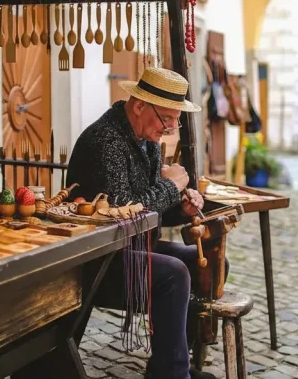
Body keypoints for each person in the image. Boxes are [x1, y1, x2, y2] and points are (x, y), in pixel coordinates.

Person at [65, 67, 221, 379]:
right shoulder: (104, 140)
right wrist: (171, 186)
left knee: (210, 263)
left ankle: (172, 361)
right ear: (139, 106)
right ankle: (172, 374)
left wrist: (184, 208)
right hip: (100, 263)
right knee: (174, 274)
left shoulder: (144, 138)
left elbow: (153, 211)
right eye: (167, 118)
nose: (172, 127)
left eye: (177, 119)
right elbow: (124, 213)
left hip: (134, 247)